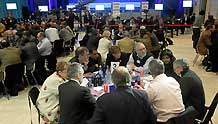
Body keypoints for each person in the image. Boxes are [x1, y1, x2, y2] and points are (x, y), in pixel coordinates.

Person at [87, 66, 157, 124]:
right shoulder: (143, 95)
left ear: (113, 81)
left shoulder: (104, 100)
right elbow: (153, 118)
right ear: (129, 79)